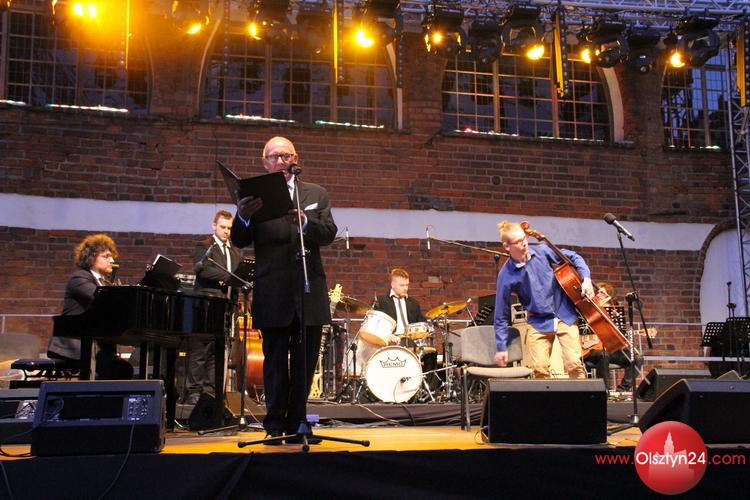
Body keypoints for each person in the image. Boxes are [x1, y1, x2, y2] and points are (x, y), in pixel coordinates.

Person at [231, 136, 337, 443]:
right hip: (273, 289)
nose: (281, 161)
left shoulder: (315, 193)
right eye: (274, 156)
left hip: (308, 289)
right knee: (275, 361)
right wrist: (243, 216)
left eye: (286, 156)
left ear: (296, 159)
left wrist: (305, 222)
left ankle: (299, 423)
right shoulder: (254, 197)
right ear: (264, 162)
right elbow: (239, 240)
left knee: (305, 362)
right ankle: (274, 424)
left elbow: (328, 233)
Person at [493, 221, 590, 379]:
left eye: (524, 238)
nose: (524, 243)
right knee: (539, 369)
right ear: (507, 246)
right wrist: (501, 347)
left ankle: (581, 395)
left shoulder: (543, 251)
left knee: (574, 364)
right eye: (518, 241)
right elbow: (501, 314)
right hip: (538, 322)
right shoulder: (506, 275)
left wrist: (586, 279)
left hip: (564, 315)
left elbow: (574, 257)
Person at [47, 234, 133, 380]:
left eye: (112, 257)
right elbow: (101, 301)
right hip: (74, 345)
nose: (112, 261)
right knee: (117, 369)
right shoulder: (79, 279)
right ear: (91, 258)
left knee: (123, 368)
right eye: (106, 256)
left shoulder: (104, 282)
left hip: (93, 345)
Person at [183, 210, 242, 405]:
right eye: (223, 227)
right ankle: (193, 392)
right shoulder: (204, 246)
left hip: (226, 306)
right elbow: (204, 271)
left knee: (218, 350)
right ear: (214, 226)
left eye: (229, 228)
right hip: (206, 304)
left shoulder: (235, 251)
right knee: (200, 349)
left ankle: (210, 392)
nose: (226, 231)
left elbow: (239, 276)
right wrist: (230, 277)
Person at [353, 268, 427, 375]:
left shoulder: (413, 303)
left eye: (407, 285)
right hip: (389, 341)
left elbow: (421, 322)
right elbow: (375, 325)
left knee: (431, 353)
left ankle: (427, 384)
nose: (405, 288)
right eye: (402, 285)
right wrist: (387, 335)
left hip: (409, 340)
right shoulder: (381, 301)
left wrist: (425, 328)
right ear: (392, 284)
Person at [583, 282, 644, 392]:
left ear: (609, 296)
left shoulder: (615, 312)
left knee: (637, 358)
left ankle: (622, 389)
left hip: (610, 350)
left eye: (602, 293)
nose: (598, 295)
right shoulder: (588, 309)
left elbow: (619, 335)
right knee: (603, 354)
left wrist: (617, 325)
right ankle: (604, 391)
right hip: (592, 349)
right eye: (598, 292)